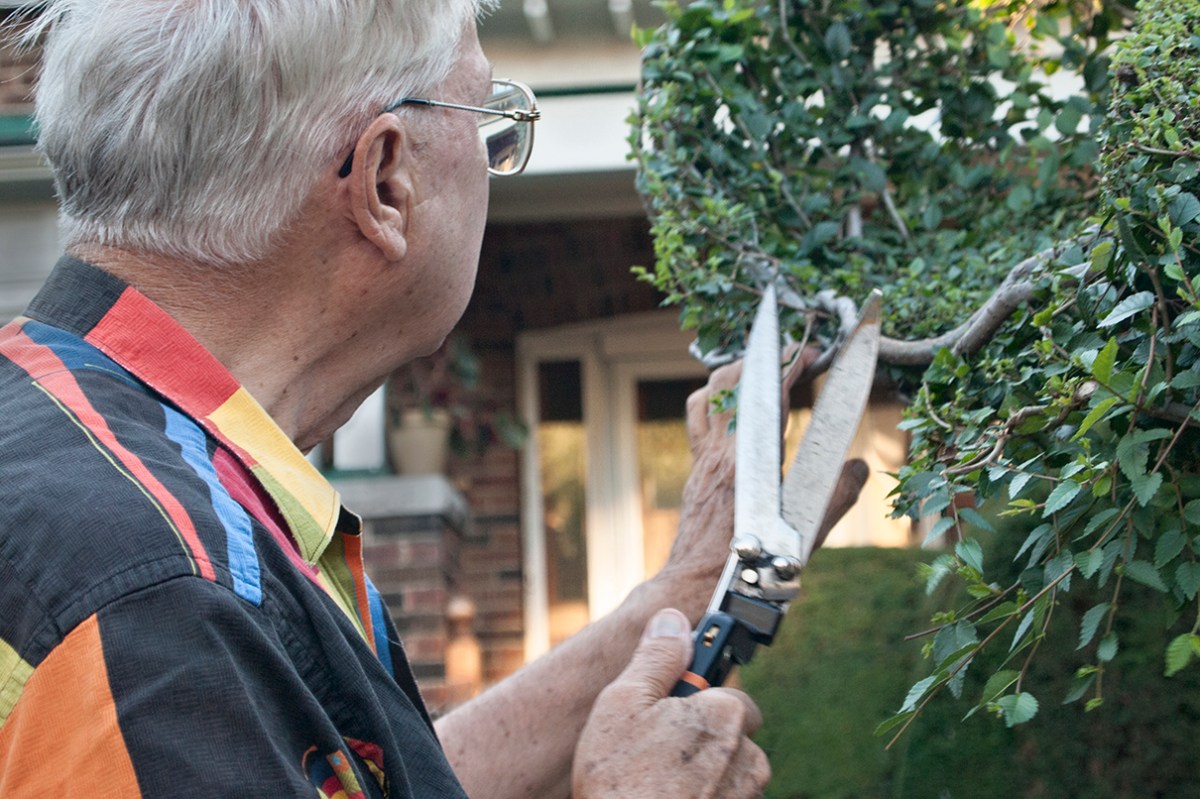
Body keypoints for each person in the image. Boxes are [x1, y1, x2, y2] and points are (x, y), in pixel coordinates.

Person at [0, 2, 865, 796]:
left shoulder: (114, 463)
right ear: (384, 182)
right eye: (489, 119)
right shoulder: (159, 595)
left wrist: (685, 586)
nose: (497, 164)